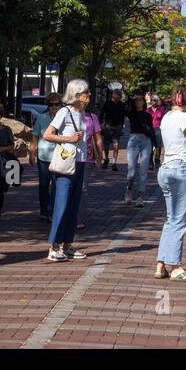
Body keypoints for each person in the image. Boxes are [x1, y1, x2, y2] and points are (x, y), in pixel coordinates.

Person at [154, 87, 186, 283]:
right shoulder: (185, 118)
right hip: (179, 169)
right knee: (179, 220)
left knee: (171, 219)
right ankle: (175, 267)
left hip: (165, 168)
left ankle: (161, 264)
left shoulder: (167, 117)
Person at [43, 80, 91, 262]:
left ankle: (67, 244)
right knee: (62, 204)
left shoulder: (82, 113)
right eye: (86, 93)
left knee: (73, 205)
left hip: (80, 162)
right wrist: (68, 139)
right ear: (77, 95)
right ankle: (53, 246)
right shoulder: (64, 111)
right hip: (66, 164)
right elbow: (47, 134)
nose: (89, 96)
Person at [31, 93, 62, 221]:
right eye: (51, 104)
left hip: (59, 157)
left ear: (60, 105)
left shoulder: (64, 119)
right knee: (43, 185)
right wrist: (32, 153)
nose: (53, 107)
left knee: (56, 185)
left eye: (56, 104)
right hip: (43, 157)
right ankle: (44, 211)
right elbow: (34, 136)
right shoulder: (41, 118)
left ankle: (52, 211)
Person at [125, 93, 155, 206]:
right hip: (133, 140)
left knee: (143, 171)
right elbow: (125, 108)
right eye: (136, 100)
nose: (138, 102)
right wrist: (131, 98)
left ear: (144, 102)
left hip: (145, 141)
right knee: (131, 171)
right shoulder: (131, 113)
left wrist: (154, 145)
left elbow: (151, 129)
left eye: (140, 100)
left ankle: (140, 197)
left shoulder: (148, 115)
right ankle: (129, 189)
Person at [99, 88, 126, 171]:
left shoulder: (122, 104)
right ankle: (106, 159)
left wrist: (122, 125)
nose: (118, 97)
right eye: (117, 95)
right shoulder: (107, 103)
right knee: (106, 144)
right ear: (113, 95)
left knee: (116, 144)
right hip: (108, 126)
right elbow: (102, 113)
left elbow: (123, 115)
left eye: (119, 95)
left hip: (117, 126)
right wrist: (102, 123)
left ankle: (114, 162)